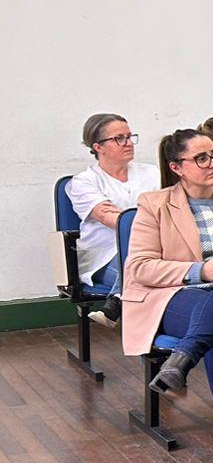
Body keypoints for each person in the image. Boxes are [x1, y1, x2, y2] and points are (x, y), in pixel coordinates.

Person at [125, 129, 213, 463]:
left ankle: (185, 356)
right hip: (173, 295)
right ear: (177, 167)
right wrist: (199, 271)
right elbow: (140, 268)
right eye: (201, 158)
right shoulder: (153, 205)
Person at [68, 113, 160, 328]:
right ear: (98, 147)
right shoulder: (84, 182)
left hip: (154, 250)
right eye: (119, 138)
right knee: (148, 273)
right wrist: (151, 219)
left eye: (130, 136)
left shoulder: (152, 173)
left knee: (155, 270)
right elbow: (116, 222)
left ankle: (117, 300)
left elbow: (171, 211)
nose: (128, 143)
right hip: (104, 257)